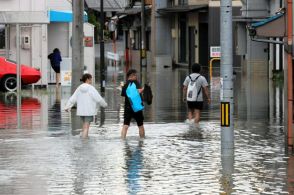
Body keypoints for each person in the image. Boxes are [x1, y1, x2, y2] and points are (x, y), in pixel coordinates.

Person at [65, 73, 107, 138]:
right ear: (87, 79)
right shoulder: (91, 88)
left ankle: (84, 138)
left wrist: (67, 106)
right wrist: (104, 105)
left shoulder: (79, 88)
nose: (91, 81)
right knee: (86, 127)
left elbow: (73, 98)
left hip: (81, 111)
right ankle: (84, 142)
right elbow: (98, 98)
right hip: (89, 111)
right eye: (90, 79)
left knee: (84, 125)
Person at [121, 69, 145, 139]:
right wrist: (144, 89)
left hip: (128, 108)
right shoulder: (136, 83)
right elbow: (138, 92)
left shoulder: (125, 85)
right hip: (137, 108)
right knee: (140, 126)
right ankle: (142, 140)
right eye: (135, 75)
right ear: (131, 75)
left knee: (125, 125)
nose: (136, 76)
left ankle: (122, 140)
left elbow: (123, 94)